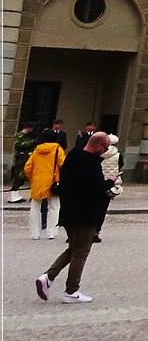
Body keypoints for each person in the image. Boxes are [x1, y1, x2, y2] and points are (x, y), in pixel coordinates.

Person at [36, 132, 114, 303]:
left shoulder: (71, 158)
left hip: (69, 212)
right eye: (106, 148)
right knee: (81, 252)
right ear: (99, 146)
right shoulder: (91, 164)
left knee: (74, 248)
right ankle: (71, 291)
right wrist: (110, 182)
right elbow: (97, 188)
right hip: (85, 214)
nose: (106, 151)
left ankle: (48, 277)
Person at [23, 129, 63, 242]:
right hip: (52, 182)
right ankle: (52, 232)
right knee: (54, 207)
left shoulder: (37, 151)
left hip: (38, 182)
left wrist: (33, 179)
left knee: (35, 208)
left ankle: (35, 233)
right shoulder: (57, 149)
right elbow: (63, 164)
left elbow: (27, 168)